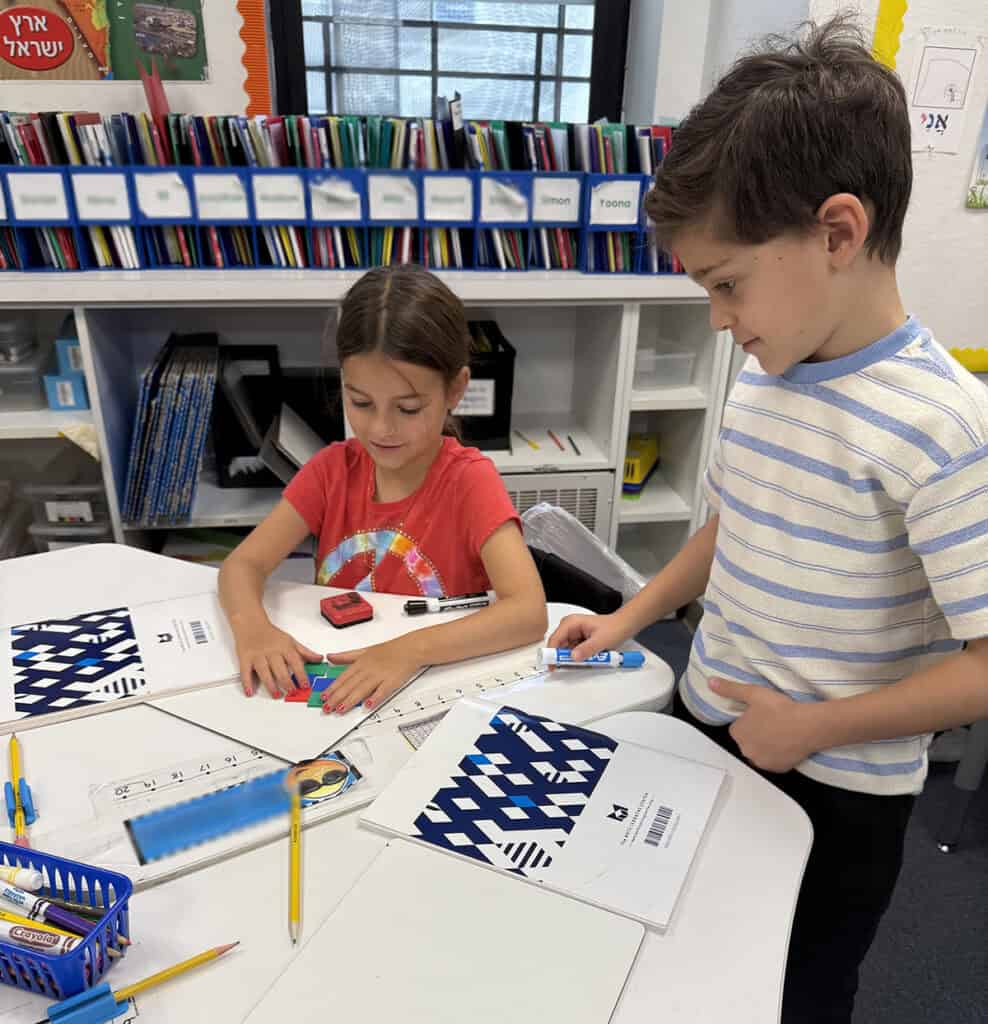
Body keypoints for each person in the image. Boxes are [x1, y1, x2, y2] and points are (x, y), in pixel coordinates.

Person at [550, 17, 988, 1023]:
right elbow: (731, 525)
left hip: (837, 789)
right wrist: (626, 615)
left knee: (791, 993)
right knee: (667, 958)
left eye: (726, 283)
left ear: (836, 233)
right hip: (708, 725)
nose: (717, 318)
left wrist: (814, 727)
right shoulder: (766, 365)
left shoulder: (942, 427)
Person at [220, 264, 547, 712]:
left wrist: (407, 650)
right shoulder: (332, 469)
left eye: (408, 408)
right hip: (342, 685)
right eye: (361, 403)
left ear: (455, 390)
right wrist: (254, 629)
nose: (381, 428)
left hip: (434, 691)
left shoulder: (469, 480)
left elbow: (528, 611)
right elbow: (243, 565)